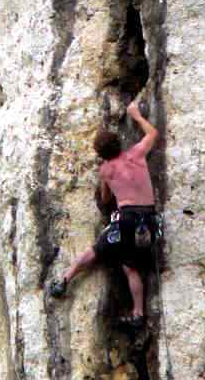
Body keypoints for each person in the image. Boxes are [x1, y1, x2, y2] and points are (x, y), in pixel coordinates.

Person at [48, 96, 161, 329]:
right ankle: (138, 313)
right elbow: (153, 134)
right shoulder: (137, 155)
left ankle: (65, 280)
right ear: (119, 143)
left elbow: (106, 198)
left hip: (126, 220)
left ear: (101, 154)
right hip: (149, 221)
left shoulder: (106, 169)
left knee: (98, 250)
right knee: (132, 265)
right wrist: (137, 116)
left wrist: (109, 187)